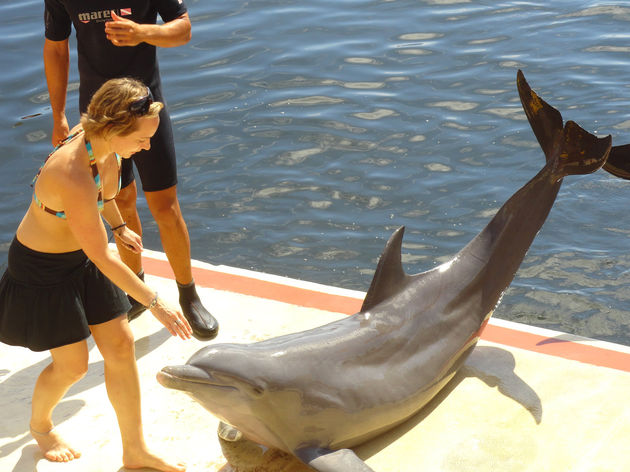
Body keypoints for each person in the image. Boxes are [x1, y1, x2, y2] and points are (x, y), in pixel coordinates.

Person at [0, 78, 191, 471]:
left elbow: (104, 199)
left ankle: (134, 452)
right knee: (73, 366)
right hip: (43, 269)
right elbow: (102, 256)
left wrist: (119, 226)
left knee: (121, 346)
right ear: (114, 128)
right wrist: (156, 304)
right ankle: (40, 426)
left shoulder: (102, 145)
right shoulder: (70, 174)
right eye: (142, 138)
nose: (148, 146)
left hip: (82, 257)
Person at [43, 0, 218, 340]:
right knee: (118, 200)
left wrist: (143, 33)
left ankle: (188, 293)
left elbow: (182, 29)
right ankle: (136, 289)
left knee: (165, 207)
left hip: (145, 110)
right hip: (97, 114)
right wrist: (58, 114)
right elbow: (56, 49)